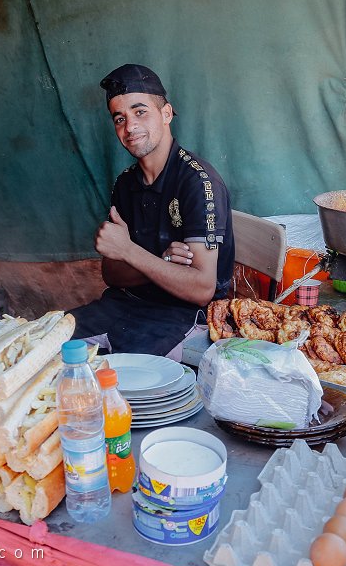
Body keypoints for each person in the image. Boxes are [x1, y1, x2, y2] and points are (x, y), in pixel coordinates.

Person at [69, 64, 235, 356]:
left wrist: (129, 252)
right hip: (124, 304)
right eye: (119, 118)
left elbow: (201, 289)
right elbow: (113, 274)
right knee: (42, 347)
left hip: (182, 316)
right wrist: (162, 261)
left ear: (166, 114)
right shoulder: (126, 183)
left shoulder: (197, 181)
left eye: (140, 111)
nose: (130, 127)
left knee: (120, 379)